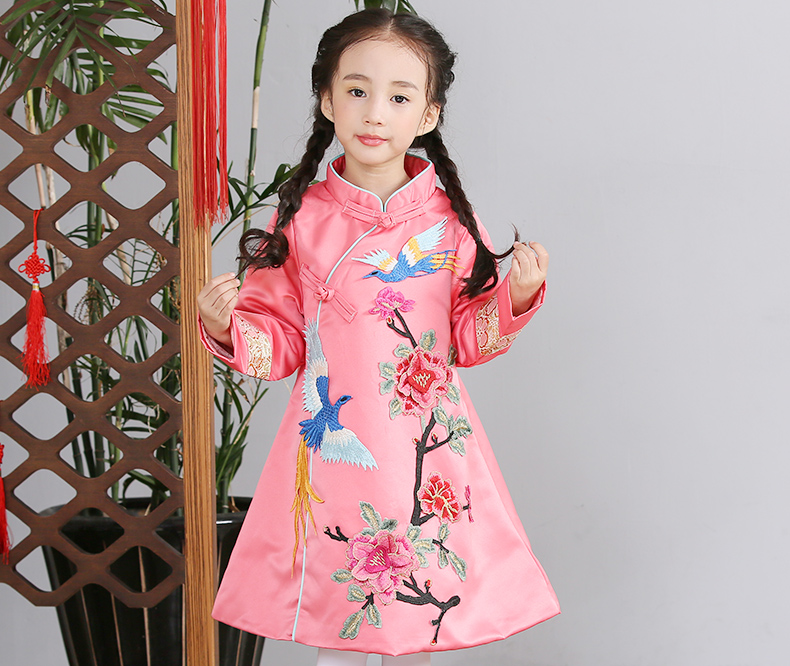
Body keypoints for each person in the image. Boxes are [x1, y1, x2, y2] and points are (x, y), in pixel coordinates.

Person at [197, 8, 559, 665]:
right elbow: (282, 344)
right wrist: (228, 325)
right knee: (342, 622)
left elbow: (466, 340)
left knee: (416, 627)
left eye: (398, 97)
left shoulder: (451, 220)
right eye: (357, 90)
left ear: (428, 115)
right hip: (333, 451)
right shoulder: (301, 217)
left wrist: (516, 296)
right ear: (327, 99)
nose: (374, 113)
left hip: (425, 446)